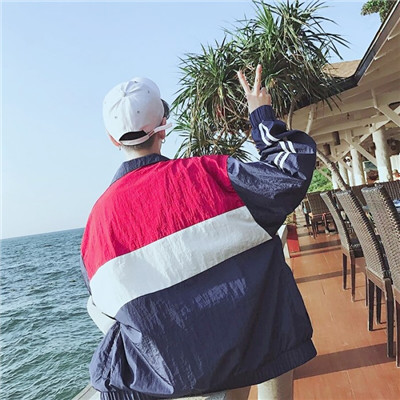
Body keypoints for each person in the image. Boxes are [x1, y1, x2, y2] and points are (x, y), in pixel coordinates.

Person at [80, 64, 317, 400]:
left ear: (112, 139)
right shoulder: (210, 174)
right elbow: (290, 171)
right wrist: (261, 115)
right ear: (164, 128)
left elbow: (107, 309)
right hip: (255, 345)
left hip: (176, 375)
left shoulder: (96, 226)